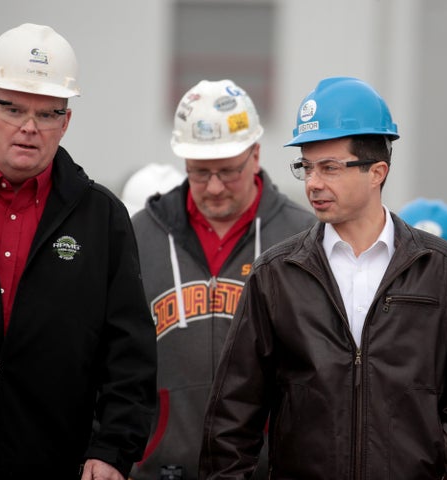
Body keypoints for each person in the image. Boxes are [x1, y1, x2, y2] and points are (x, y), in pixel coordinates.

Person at [198, 76, 447, 479]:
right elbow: (232, 410)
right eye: (307, 167)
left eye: (329, 168)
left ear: (377, 172)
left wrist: (438, 450)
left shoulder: (441, 268)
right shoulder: (276, 274)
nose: (313, 183)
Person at [0, 23, 157, 480]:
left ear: (66, 122)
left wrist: (112, 450)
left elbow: (129, 353)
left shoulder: (103, 219)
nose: (29, 128)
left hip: (58, 463)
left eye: (48, 113)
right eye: (13, 108)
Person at [129, 79, 316, 480]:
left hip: (269, 471)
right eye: (200, 173)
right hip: (162, 468)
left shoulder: (304, 238)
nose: (214, 187)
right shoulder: (138, 237)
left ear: (256, 154)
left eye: (228, 171)